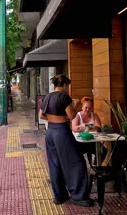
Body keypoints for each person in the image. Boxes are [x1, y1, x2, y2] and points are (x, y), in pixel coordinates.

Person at [39, 74, 93, 207]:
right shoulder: (64, 97)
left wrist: (53, 119)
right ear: (64, 85)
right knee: (77, 162)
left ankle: (59, 196)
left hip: (50, 132)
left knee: (55, 163)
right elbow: (72, 116)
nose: (68, 88)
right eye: (67, 86)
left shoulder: (47, 97)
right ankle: (79, 196)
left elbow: (41, 115)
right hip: (61, 132)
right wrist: (75, 104)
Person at [71, 97, 111, 166]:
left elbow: (98, 128)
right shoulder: (77, 115)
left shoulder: (94, 115)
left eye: (90, 108)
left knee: (103, 150)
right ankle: (81, 168)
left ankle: (96, 167)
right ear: (82, 107)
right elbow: (74, 128)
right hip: (80, 142)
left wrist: (89, 127)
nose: (88, 109)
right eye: (86, 107)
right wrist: (83, 126)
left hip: (92, 141)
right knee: (76, 153)